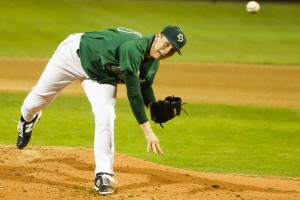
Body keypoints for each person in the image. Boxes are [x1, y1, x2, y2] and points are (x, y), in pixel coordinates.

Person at [16, 25, 187, 195]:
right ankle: (27, 118)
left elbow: (145, 87)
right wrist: (148, 131)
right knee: (37, 100)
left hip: (101, 75)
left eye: (173, 50)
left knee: (106, 113)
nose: (167, 51)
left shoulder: (153, 62)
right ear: (158, 36)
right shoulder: (133, 49)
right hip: (74, 55)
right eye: (167, 44)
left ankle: (103, 174)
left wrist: (152, 106)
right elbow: (133, 93)